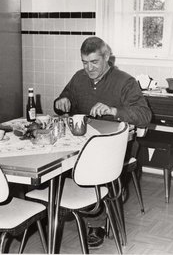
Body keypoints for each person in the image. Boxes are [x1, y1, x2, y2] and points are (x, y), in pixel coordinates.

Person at [54, 36, 152, 249]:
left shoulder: (125, 81)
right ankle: (64, 207)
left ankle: (96, 222)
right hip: (82, 143)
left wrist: (114, 111)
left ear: (107, 58)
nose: (89, 68)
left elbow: (144, 116)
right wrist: (62, 101)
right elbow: (65, 97)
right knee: (54, 161)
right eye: (84, 62)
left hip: (116, 146)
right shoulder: (79, 78)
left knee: (94, 168)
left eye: (94, 62)